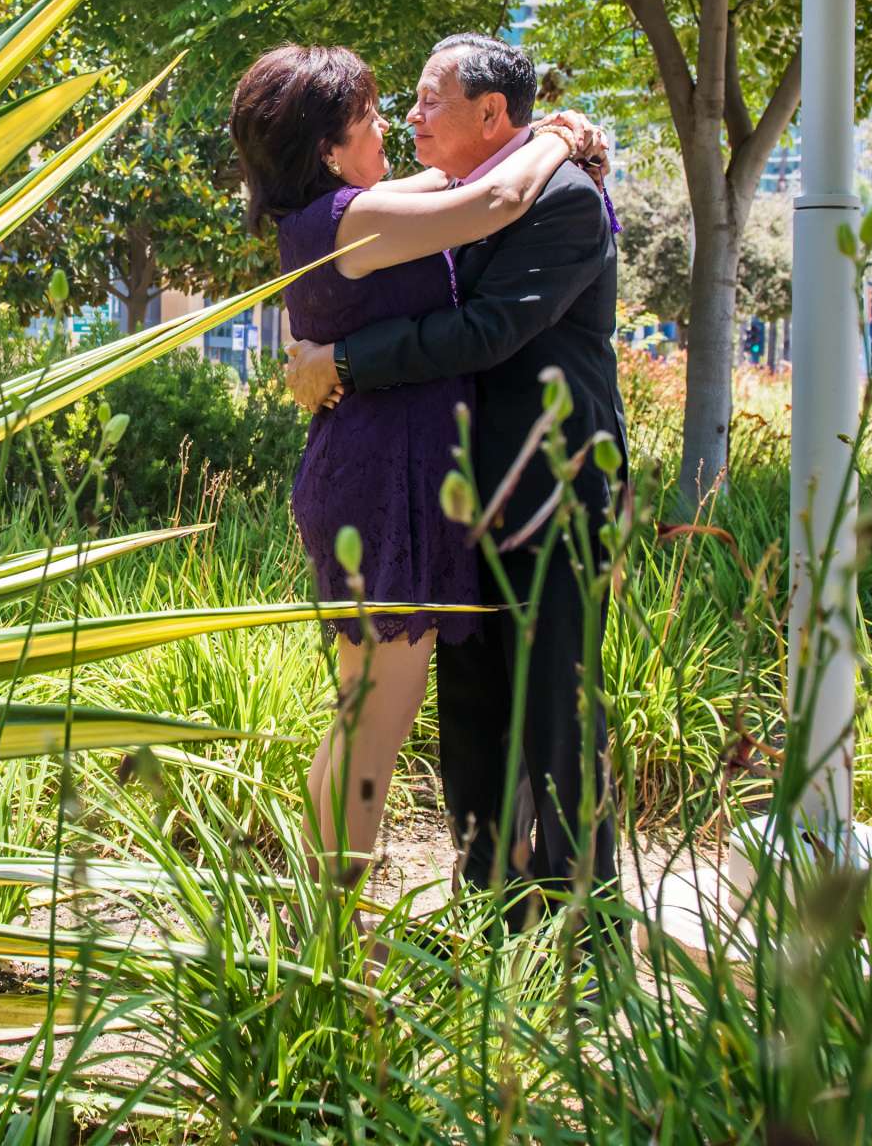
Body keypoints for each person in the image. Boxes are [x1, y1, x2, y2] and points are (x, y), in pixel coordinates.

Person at [226, 43, 607, 878]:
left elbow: (465, 186)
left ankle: (329, 927)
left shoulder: (342, 210)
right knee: (373, 728)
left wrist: (546, 134)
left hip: (377, 470)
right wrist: (559, 138)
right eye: (366, 118)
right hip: (383, 480)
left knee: (360, 715)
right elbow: (497, 196)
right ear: (328, 149)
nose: (391, 124)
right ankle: (336, 943)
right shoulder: (355, 219)